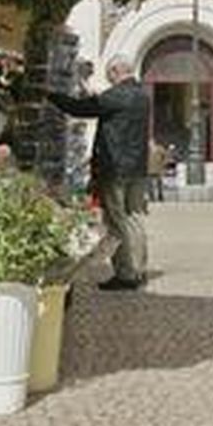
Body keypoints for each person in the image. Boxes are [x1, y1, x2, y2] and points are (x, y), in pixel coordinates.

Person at [47, 55, 151, 291]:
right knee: (134, 216)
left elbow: (80, 109)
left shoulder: (117, 95)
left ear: (115, 71)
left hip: (115, 167)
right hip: (137, 168)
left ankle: (126, 273)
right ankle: (139, 268)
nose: (109, 80)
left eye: (109, 75)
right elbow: (103, 104)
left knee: (117, 221)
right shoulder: (142, 96)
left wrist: (52, 96)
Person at [146, 138, 168, 203]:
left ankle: (160, 196)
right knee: (150, 184)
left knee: (159, 183)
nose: (150, 144)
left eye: (151, 143)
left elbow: (165, 156)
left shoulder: (160, 148)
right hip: (149, 169)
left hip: (158, 168)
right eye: (149, 143)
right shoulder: (147, 150)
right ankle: (152, 197)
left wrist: (163, 163)